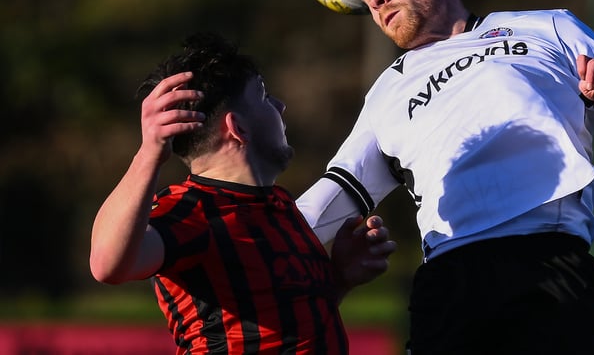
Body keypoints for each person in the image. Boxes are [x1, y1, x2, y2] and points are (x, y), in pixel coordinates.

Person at [295, 0, 594, 354]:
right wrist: (241, 239)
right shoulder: (388, 89)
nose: (378, 0)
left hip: (547, 265)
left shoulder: (548, 27)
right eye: (367, 0)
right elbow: (337, 193)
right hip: (447, 279)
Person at [89, 32, 396, 355]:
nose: (280, 104)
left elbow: (280, 327)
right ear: (238, 128)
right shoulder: (191, 209)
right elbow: (107, 265)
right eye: (264, 97)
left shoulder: (282, 208)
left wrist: (338, 279)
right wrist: (149, 153)